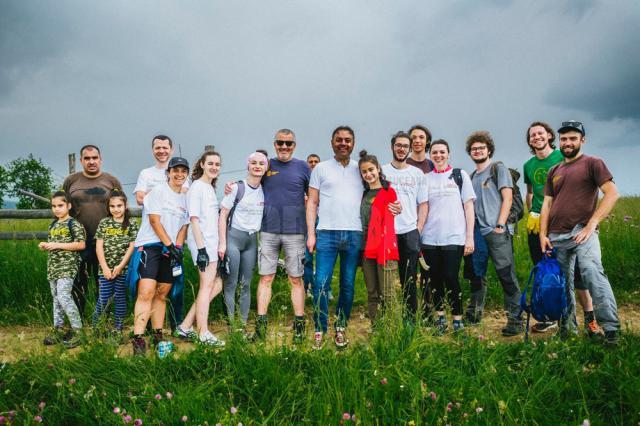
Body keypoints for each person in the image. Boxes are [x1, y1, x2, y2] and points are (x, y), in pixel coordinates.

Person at [307, 126, 401, 349]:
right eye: (338, 140)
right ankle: (320, 329)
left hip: (353, 234)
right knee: (320, 284)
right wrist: (311, 233)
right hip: (326, 233)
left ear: (353, 143)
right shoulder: (320, 168)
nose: (343, 143)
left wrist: (396, 205)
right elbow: (311, 202)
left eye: (347, 140)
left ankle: (341, 327)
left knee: (348, 285)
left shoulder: (359, 170)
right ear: (332, 142)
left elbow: (379, 189)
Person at [540, 121, 620, 345]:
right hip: (556, 236)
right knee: (562, 283)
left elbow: (612, 193)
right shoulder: (554, 170)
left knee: (592, 271)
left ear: (582, 140)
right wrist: (542, 235)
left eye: (573, 138)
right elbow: (547, 205)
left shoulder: (593, 163)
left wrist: (591, 224)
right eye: (564, 139)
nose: (568, 142)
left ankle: (611, 329)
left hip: (581, 232)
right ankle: (568, 331)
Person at [523, 122, 597, 335]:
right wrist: (532, 214)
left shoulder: (562, 158)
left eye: (540, 133)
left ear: (548, 135)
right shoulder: (528, 165)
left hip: (566, 225)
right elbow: (531, 192)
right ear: (529, 140)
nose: (536, 137)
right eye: (532, 135)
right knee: (547, 273)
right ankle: (553, 317)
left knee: (577, 276)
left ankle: (590, 318)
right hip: (539, 226)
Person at [253, 130, 311, 343]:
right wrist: (233, 186)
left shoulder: (303, 167)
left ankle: (298, 325)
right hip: (268, 230)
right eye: (280, 143)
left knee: (295, 279)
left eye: (289, 143)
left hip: (295, 231)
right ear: (274, 144)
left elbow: (313, 197)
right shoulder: (266, 165)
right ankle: (260, 326)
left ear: (294, 145)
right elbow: (251, 183)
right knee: (266, 277)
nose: (284, 147)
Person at [464, 131, 523, 336]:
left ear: (489, 150)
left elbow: (507, 198)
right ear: (470, 153)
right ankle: (474, 312)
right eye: (474, 149)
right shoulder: (471, 177)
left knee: (506, 274)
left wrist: (500, 224)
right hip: (478, 233)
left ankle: (515, 319)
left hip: (497, 232)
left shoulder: (498, 169)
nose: (477, 151)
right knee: (477, 274)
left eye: (481, 148)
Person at [130, 157, 190, 355]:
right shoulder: (158, 192)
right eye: (175, 170)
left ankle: (157, 334)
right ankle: (138, 338)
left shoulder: (185, 198)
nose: (179, 174)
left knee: (162, 293)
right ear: (168, 173)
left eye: (183, 171)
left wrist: (178, 247)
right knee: (146, 291)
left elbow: (184, 226)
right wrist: (169, 244)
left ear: (187, 174)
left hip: (171, 248)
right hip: (151, 245)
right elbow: (155, 221)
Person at [420, 140, 475, 334]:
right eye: (434, 152)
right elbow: (423, 208)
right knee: (434, 280)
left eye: (442, 152)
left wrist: (470, 238)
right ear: (430, 155)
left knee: (451, 277)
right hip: (430, 239)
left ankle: (458, 319)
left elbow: (469, 207)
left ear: (449, 154)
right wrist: (418, 233)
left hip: (454, 237)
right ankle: (440, 318)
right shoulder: (426, 178)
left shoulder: (460, 176)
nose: (438, 155)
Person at [63, 145, 122, 319]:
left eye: (94, 158)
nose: (91, 162)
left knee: (104, 282)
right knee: (78, 282)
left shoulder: (111, 181)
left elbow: (120, 207)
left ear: (100, 160)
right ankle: (78, 320)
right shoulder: (71, 181)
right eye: (87, 158)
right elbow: (64, 206)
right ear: (81, 160)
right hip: (78, 240)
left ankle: (104, 320)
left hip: (105, 240)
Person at [176, 151, 225, 346]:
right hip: (202, 244)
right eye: (210, 163)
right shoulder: (196, 187)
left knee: (217, 285)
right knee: (206, 286)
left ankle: (186, 325)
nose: (214, 167)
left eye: (217, 164)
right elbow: (194, 220)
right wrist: (202, 249)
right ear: (202, 164)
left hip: (212, 244)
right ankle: (203, 332)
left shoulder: (209, 188)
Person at [381, 132, 427, 322]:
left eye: (405, 146)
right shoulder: (382, 171)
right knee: (387, 281)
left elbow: (423, 204)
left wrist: (418, 229)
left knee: (409, 280)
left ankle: (410, 321)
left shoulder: (417, 174)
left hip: (409, 232)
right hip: (387, 233)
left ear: (410, 149)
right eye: (398, 145)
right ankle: (388, 318)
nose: (401, 149)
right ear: (392, 147)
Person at [218, 152, 267, 329]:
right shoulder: (237, 188)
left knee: (246, 284)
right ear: (247, 165)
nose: (257, 166)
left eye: (261, 163)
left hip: (251, 240)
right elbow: (223, 214)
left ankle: (242, 324)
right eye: (253, 162)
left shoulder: (265, 189)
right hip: (233, 238)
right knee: (231, 283)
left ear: (266, 168)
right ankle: (231, 325)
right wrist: (222, 243)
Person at [39, 191, 86, 348]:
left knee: (64, 296)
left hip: (67, 266)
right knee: (56, 298)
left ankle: (78, 331)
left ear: (69, 206)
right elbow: (53, 244)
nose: (57, 209)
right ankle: (58, 329)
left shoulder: (73, 224)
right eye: (54, 206)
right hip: (53, 266)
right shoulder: (52, 224)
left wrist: (56, 245)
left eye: (60, 205)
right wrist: (45, 246)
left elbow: (80, 244)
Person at [359, 150, 399, 325]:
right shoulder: (362, 194)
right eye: (364, 171)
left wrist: (399, 208)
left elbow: (394, 213)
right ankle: (376, 327)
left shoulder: (388, 191)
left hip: (384, 247)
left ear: (378, 169)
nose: (368, 174)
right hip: (367, 248)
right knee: (372, 292)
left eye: (371, 170)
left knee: (388, 292)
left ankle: (392, 329)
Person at [92, 190, 138, 337]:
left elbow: (132, 246)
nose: (116, 209)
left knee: (120, 299)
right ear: (108, 207)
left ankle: (117, 329)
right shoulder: (104, 223)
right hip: (105, 269)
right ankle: (97, 327)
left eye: (119, 205)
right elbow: (99, 246)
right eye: (112, 206)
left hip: (123, 269)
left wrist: (120, 266)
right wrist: (105, 267)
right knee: (104, 298)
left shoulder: (131, 224)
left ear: (125, 205)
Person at [304, 154, 322, 298]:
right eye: (311, 162)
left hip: (322, 219)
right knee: (307, 257)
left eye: (316, 161)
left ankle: (323, 289)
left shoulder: (323, 178)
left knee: (323, 256)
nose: (313, 163)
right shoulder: (304, 179)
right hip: (307, 220)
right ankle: (307, 287)